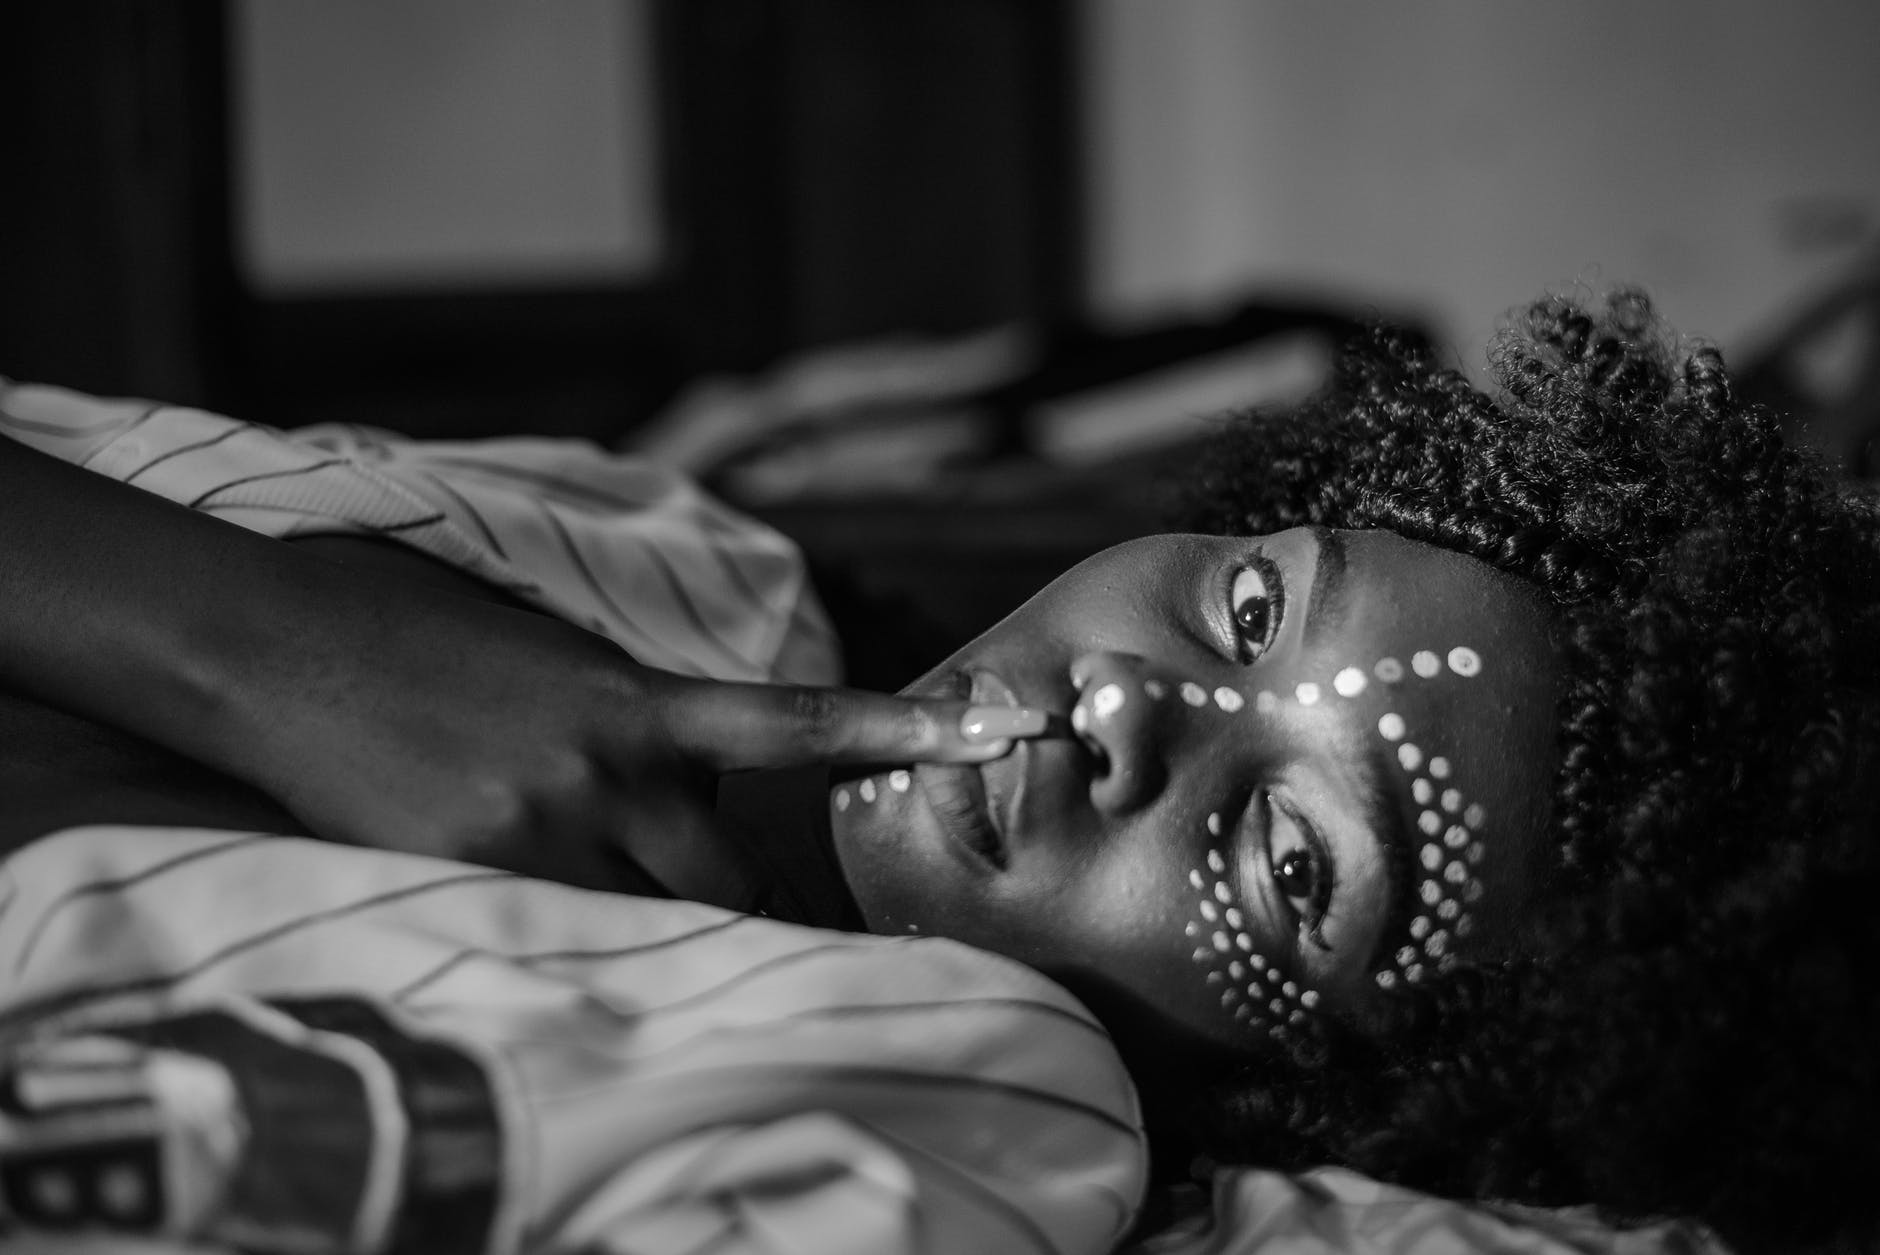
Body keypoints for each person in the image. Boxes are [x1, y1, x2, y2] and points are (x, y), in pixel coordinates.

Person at [0, 289, 1874, 1255]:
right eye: (1248, 609)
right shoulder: (676, 553)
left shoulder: (967, 1127)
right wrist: (264, 641)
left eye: (1298, 865)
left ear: (1342, 1113)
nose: (1132, 710)